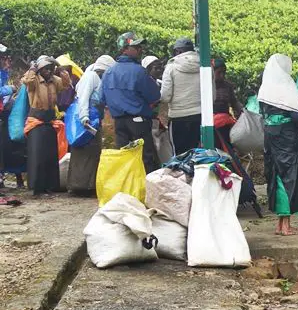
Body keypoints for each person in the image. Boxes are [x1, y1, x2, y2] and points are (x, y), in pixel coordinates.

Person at [259, 54, 298, 236]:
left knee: (276, 174)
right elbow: (297, 116)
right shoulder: (286, 87)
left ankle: (280, 224)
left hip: (270, 136)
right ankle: (286, 226)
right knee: (289, 176)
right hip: (286, 137)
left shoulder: (266, 88)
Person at [101, 32, 162, 174]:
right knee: (146, 157)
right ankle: (147, 191)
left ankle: (127, 190)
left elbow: (102, 99)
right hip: (138, 121)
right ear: (125, 49)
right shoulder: (139, 71)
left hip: (119, 123)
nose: (140, 49)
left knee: (124, 158)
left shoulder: (108, 72)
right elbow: (154, 96)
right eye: (136, 46)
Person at [212, 57, 259, 214]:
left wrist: (244, 115)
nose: (222, 76)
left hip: (224, 129)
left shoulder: (227, 87)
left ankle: (240, 192)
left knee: (229, 159)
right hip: (211, 130)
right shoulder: (205, 87)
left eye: (224, 73)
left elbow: (234, 103)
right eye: (219, 73)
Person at [21, 56, 71, 195]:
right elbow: (27, 80)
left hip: (49, 120)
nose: (48, 71)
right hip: (36, 121)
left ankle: (50, 186)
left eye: (50, 68)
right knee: (37, 155)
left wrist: (60, 68)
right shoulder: (35, 80)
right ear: (40, 69)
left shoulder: (54, 81)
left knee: (50, 155)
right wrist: (32, 68)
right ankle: (36, 187)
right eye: (45, 69)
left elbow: (67, 83)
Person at [66, 55, 115, 194]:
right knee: (83, 151)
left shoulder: (99, 79)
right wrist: (84, 117)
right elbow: (83, 98)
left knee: (94, 151)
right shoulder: (91, 77)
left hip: (94, 119)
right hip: (86, 118)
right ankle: (79, 186)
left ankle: (89, 185)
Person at [160, 37, 210, 157]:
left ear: (178, 51)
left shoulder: (171, 67)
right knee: (198, 154)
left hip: (178, 118)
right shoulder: (205, 65)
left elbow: (165, 97)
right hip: (199, 116)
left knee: (179, 155)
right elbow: (211, 96)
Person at [0, 45, 26, 188]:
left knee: (9, 147)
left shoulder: (2, 72)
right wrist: (9, 89)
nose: (5, 60)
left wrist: (4, 70)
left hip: (4, 115)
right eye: (3, 58)